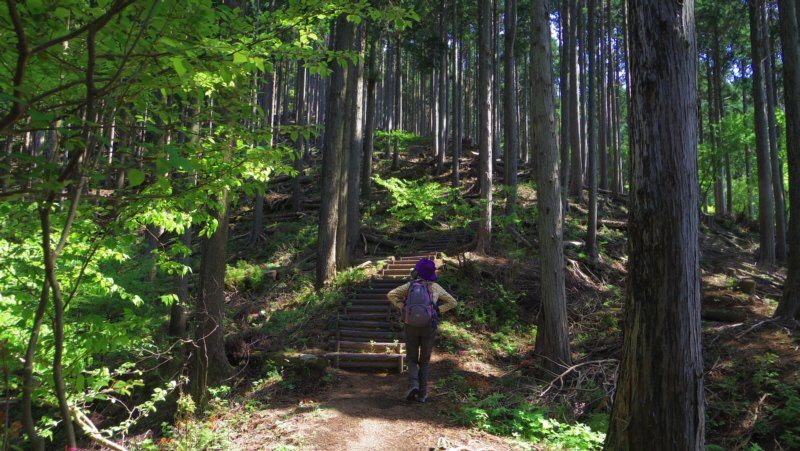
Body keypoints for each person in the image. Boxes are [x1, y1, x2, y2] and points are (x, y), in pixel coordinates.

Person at [387, 258, 457, 402]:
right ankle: (423, 395)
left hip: (411, 325)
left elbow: (391, 294)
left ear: (417, 272)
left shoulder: (410, 286)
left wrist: (403, 308)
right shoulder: (435, 287)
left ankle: (413, 384)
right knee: (424, 361)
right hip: (428, 326)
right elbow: (453, 302)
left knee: (412, 358)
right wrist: (438, 308)